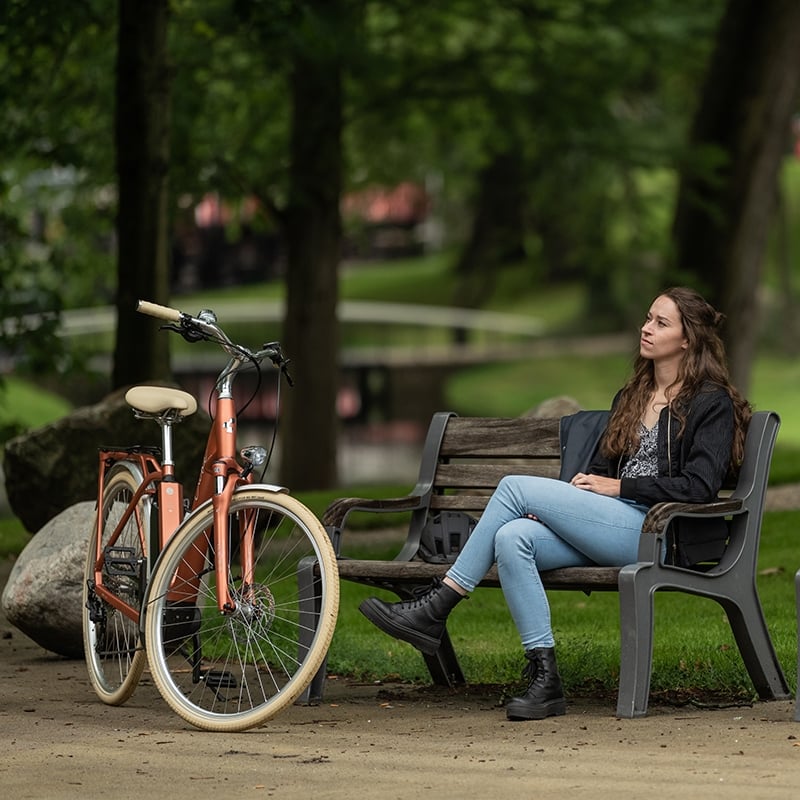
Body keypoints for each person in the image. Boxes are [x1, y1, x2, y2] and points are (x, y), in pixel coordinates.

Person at [359, 286, 752, 722]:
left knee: (513, 488)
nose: (646, 328)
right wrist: (567, 505)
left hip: (660, 533)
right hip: (610, 527)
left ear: (687, 339)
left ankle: (438, 605)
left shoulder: (710, 402)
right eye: (647, 318)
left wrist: (619, 488)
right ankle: (545, 679)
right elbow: (599, 470)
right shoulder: (632, 396)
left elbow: (699, 486)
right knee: (513, 537)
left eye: (661, 323)